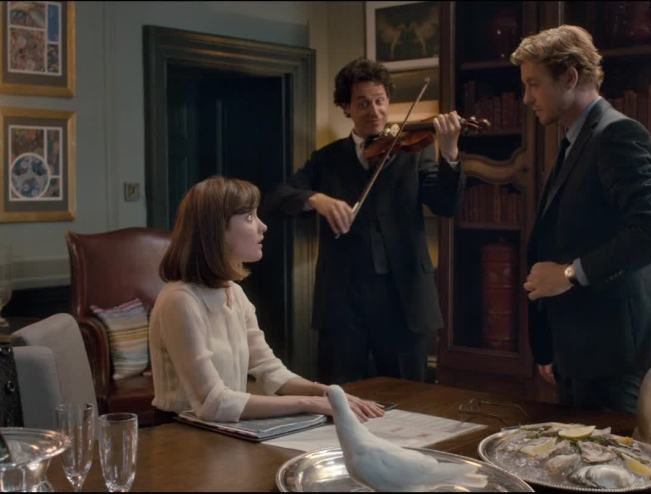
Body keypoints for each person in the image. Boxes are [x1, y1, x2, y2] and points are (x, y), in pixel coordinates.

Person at [266, 58, 465, 384]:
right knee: (341, 396)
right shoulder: (327, 159)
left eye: (380, 101)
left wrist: (450, 154)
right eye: (362, 103)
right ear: (346, 108)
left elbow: (446, 204)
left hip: (404, 300)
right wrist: (315, 199)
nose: (374, 111)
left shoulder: (415, 152)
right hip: (344, 302)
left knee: (409, 398)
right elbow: (277, 197)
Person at [514, 25, 651, 414]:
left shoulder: (617, 135)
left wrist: (570, 274)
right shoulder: (576, 137)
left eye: (534, 84)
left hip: (611, 360)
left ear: (570, 77)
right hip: (577, 352)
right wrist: (552, 347)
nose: (526, 98)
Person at [149, 176, 384, 423]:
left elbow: (271, 370)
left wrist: (329, 394)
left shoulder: (234, 292)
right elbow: (213, 402)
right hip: (177, 432)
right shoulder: (180, 300)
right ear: (217, 230)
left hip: (220, 429)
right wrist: (308, 403)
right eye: (250, 217)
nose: (263, 226)